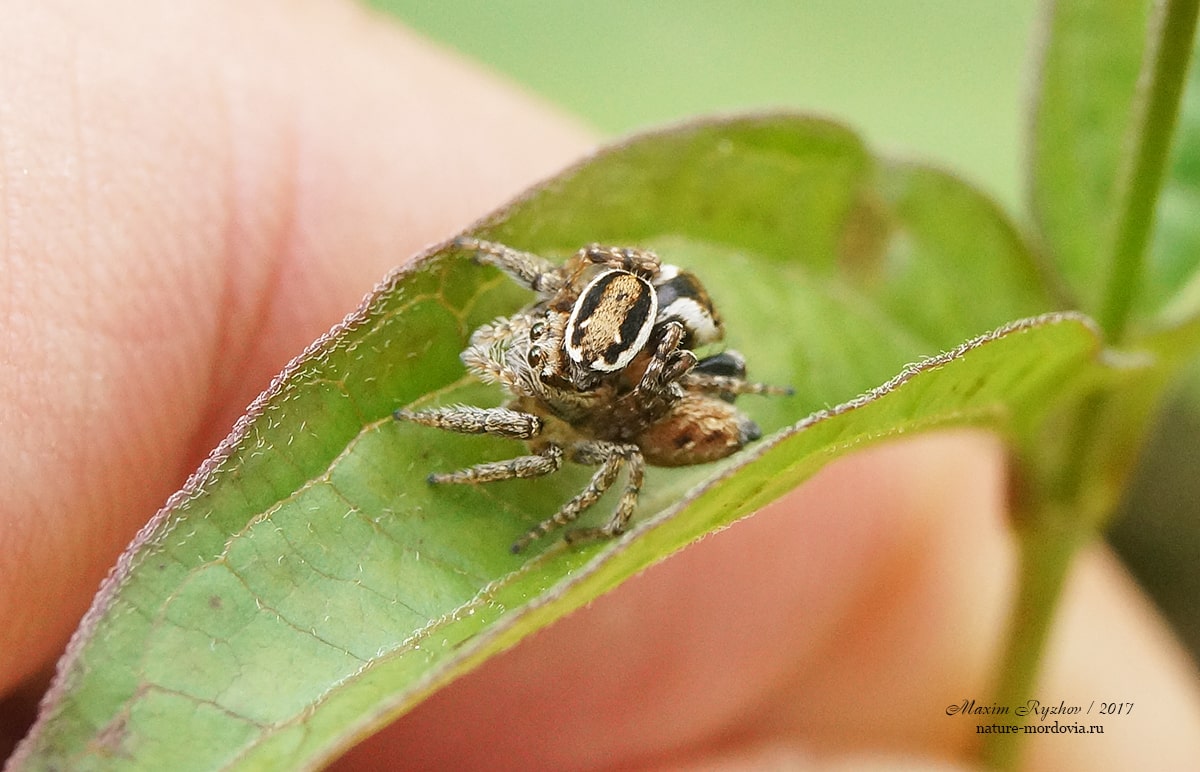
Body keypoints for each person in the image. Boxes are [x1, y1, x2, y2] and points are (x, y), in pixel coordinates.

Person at [2, 3, 1198, 769]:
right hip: (592, 351)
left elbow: (595, 480)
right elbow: (620, 317)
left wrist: (512, 446)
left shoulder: (632, 431)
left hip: (605, 367)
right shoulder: (623, 362)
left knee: (572, 455)